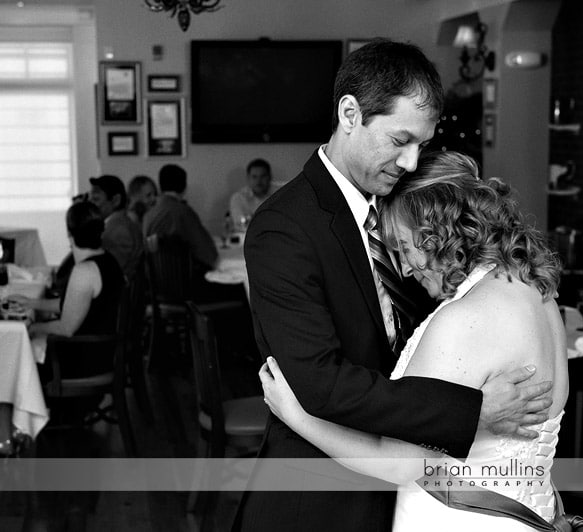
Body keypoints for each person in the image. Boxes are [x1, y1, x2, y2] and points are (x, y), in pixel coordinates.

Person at [234, 38, 552, 532]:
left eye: (422, 145)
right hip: (322, 498)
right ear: (350, 114)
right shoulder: (285, 225)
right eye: (400, 140)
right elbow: (320, 384)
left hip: (412, 486)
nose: (410, 161)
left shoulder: (406, 204)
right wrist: (472, 410)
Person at [260, 151, 568, 531]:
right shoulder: (538, 292)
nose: (404, 268)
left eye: (405, 247)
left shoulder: (465, 320)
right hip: (536, 514)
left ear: (437, 233)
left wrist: (297, 415)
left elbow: (400, 465)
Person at [0, 202, 123, 458]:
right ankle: (16, 428)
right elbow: (75, 304)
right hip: (102, 353)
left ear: (69, 235)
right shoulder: (107, 261)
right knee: (18, 343)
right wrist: (32, 303)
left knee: (4, 350)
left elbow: (67, 327)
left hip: (81, 361)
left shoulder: (83, 271)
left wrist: (30, 327)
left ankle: (5, 435)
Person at [143, 164, 218, 272]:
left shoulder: (148, 214)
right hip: (184, 280)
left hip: (155, 280)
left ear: (160, 187)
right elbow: (208, 254)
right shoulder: (183, 212)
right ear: (184, 187)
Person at [88, 174, 145, 282]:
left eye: (95, 199)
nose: (90, 205)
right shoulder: (119, 224)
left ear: (116, 200)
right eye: (89, 199)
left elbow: (110, 275)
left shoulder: (118, 230)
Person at [228, 158, 277, 231]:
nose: (259, 181)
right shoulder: (238, 198)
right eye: (254, 177)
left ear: (270, 177)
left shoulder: (279, 195)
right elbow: (239, 225)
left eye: (263, 176)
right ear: (248, 178)